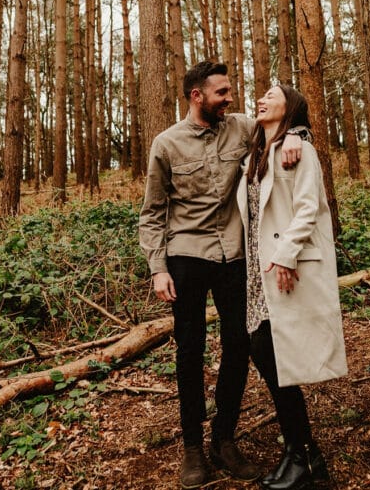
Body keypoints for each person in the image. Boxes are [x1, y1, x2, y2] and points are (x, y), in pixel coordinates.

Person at [139, 61, 305, 489]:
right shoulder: (166, 144)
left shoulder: (243, 128)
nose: (230, 99)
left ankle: (224, 440)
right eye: (222, 93)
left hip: (234, 256)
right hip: (186, 256)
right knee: (189, 351)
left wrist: (295, 139)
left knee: (239, 345)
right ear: (197, 97)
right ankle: (193, 449)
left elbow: (284, 124)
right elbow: (153, 213)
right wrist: (158, 269)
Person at [237, 84, 347, 490]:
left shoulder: (300, 150)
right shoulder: (255, 153)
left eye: (271, 95)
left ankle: (301, 456)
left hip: (284, 265)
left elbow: (309, 206)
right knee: (265, 355)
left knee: (272, 355)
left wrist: (286, 254)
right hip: (256, 272)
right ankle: (305, 455)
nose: (260, 99)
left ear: (291, 108)